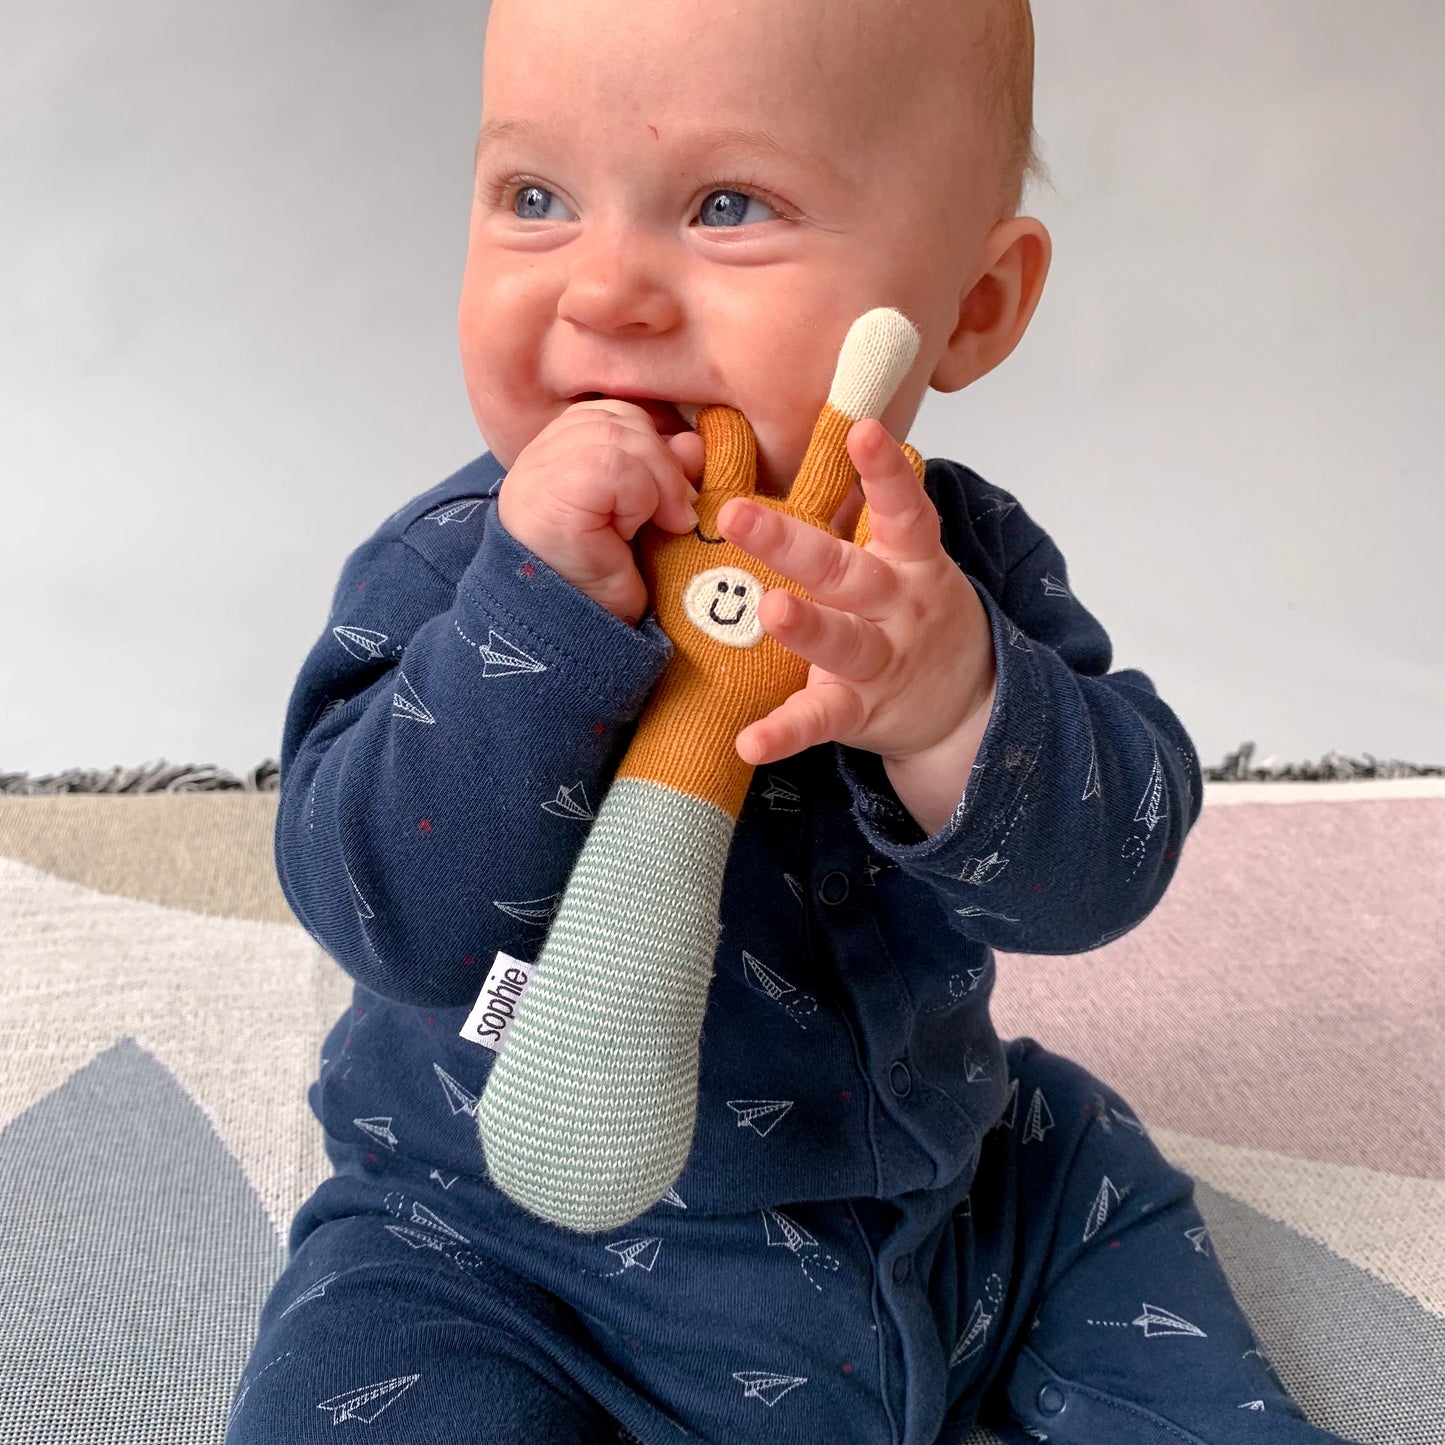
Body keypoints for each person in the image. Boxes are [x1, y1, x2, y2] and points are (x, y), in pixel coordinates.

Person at [225, 0, 1356, 1441]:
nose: (606, 290)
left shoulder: (948, 572)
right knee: (372, 1368)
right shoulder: (460, 566)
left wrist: (949, 706)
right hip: (508, 1245)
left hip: (948, 1213)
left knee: (1086, 1177)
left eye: (725, 205)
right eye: (533, 198)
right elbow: (381, 907)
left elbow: (1111, 862)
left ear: (974, 305)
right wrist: (533, 623)